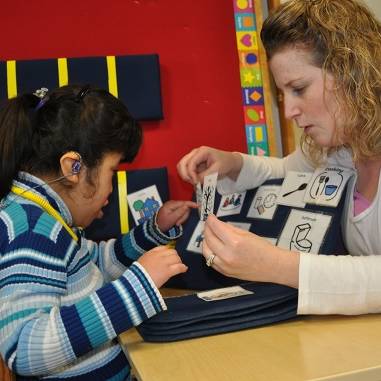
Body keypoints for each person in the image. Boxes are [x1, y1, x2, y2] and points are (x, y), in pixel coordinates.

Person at [177, 0, 381, 316]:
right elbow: (285, 170)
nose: (289, 112)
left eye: (299, 88)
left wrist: (278, 266)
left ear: (351, 71)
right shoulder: (341, 147)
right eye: (284, 95)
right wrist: (233, 163)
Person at [0, 84, 196, 380]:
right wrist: (136, 289)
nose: (110, 190)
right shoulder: (32, 229)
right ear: (73, 166)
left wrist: (153, 231)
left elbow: (96, 265)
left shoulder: (48, 217)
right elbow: (24, 349)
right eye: (112, 172)